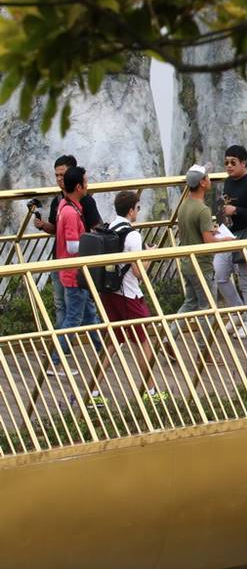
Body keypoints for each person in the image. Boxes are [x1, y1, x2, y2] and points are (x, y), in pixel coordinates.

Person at [93, 190, 168, 404]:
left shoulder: (110, 227)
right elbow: (138, 272)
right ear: (131, 210)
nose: (138, 211)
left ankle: (93, 392)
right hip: (129, 295)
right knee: (142, 342)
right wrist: (150, 256)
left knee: (113, 341)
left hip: (110, 292)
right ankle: (151, 391)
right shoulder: (133, 235)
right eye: (138, 208)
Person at [34, 155, 102, 328]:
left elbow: (96, 227)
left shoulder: (85, 201)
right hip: (61, 260)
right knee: (64, 306)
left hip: (77, 264)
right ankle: (66, 342)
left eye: (62, 175)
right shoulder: (59, 202)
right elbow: (56, 228)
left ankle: (67, 343)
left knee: (83, 309)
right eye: (56, 175)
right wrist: (43, 225)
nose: (59, 179)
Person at [49, 166, 102, 377]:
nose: (88, 186)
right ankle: (55, 361)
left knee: (89, 313)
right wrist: (93, 243)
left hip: (75, 271)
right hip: (74, 273)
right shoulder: (71, 212)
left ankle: (103, 349)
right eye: (85, 182)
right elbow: (72, 246)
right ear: (78, 186)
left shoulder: (65, 205)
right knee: (73, 319)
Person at [215, 145, 247, 336]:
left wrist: (236, 211)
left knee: (246, 279)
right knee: (220, 274)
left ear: (243, 163)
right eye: (226, 162)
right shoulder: (228, 182)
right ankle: (238, 311)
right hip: (228, 233)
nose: (229, 166)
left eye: (233, 163)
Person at [172, 164, 219, 355]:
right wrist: (226, 240)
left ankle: (169, 338)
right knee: (207, 309)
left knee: (189, 303)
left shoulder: (184, 205)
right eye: (207, 177)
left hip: (187, 264)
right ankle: (204, 352)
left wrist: (210, 231)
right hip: (202, 266)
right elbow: (208, 242)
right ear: (202, 183)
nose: (210, 179)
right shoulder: (203, 210)